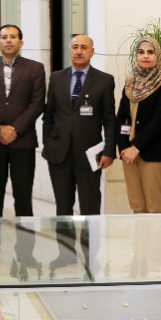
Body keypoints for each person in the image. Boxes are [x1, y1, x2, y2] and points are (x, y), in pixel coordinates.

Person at [43, 34, 116, 267]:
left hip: (90, 155)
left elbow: (110, 119)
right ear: (70, 50)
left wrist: (109, 150)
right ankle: (65, 254)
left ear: (92, 52)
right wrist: (48, 144)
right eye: (75, 47)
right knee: (63, 207)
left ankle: (90, 256)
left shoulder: (104, 80)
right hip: (59, 155)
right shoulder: (56, 78)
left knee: (89, 207)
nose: (79, 51)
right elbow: (49, 115)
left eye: (84, 47)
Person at [0, 24, 45, 265]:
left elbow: (37, 103)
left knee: (23, 199)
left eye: (13, 37)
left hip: (22, 142)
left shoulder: (35, 68)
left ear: (20, 42)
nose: (8, 40)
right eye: (4, 37)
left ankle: (25, 252)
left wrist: (14, 129)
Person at [115, 36, 161, 214]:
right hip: (129, 154)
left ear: (158, 55)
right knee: (137, 207)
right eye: (141, 52)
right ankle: (141, 238)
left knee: (155, 208)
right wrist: (124, 147)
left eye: (150, 52)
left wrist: (136, 147)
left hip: (154, 153)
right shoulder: (131, 81)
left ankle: (157, 238)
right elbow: (121, 117)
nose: (145, 56)